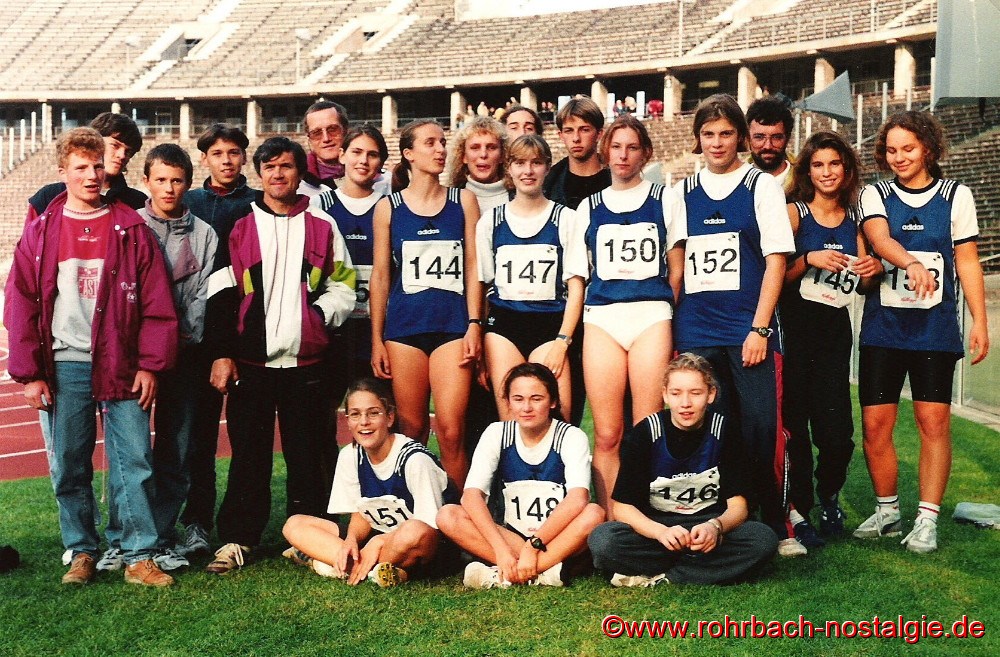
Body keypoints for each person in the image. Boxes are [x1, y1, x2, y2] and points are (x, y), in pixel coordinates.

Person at [4, 127, 178, 586]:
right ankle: (81, 550)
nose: (91, 175)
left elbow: (158, 304)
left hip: (121, 362)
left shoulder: (132, 227)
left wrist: (149, 364)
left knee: (135, 461)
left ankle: (139, 555)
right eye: (81, 167)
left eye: (97, 165)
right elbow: (20, 302)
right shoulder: (43, 230)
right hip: (65, 365)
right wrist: (29, 374)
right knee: (70, 464)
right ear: (62, 173)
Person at [202, 136, 356, 573]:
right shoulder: (238, 224)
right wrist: (223, 352)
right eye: (269, 167)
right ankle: (237, 539)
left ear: (298, 171)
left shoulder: (323, 225)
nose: (277, 174)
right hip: (252, 363)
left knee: (308, 453)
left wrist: (319, 316)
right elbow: (220, 292)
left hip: (307, 363)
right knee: (248, 455)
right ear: (259, 173)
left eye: (286, 166)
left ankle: (311, 537)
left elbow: (344, 284)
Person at [855, 111, 989, 553]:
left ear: (928, 148)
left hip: (933, 329)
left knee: (933, 423)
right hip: (883, 328)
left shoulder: (956, 195)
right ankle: (888, 511)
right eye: (891, 150)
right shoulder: (874, 193)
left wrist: (979, 321)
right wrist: (910, 262)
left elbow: (966, 260)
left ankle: (927, 519)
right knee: (876, 425)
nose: (899, 157)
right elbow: (879, 239)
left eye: (908, 148)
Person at [672, 94, 798, 555]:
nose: (717, 142)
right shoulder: (681, 193)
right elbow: (678, 264)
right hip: (696, 332)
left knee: (762, 429)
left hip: (748, 332)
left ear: (740, 138)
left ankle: (778, 523)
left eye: (726, 133)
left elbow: (777, 261)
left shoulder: (760, 186)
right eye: (708, 134)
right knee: (707, 429)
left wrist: (759, 328)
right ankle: (715, 522)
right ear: (697, 139)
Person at [572, 114, 686, 513]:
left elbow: (676, 267)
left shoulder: (665, 198)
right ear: (606, 152)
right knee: (606, 433)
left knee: (647, 428)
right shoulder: (587, 207)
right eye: (616, 146)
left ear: (645, 153)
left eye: (632, 147)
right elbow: (581, 274)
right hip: (603, 317)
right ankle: (611, 522)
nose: (623, 155)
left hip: (650, 316)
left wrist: (661, 308)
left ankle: (648, 515)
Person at [588, 353, 778, 586]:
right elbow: (623, 508)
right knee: (603, 541)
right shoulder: (647, 432)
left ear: (711, 394)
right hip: (658, 528)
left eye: (695, 393)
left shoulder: (724, 430)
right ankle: (702, 570)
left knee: (762, 539)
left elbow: (738, 506)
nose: (685, 403)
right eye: (676, 393)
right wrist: (660, 533)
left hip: (706, 525)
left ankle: (669, 577)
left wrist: (715, 527)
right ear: (665, 395)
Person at [780, 131, 882, 545]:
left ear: (847, 169)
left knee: (836, 433)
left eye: (834, 164)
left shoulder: (856, 221)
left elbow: (859, 286)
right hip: (794, 331)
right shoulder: (794, 213)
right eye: (818, 164)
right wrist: (807, 260)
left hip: (834, 336)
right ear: (807, 170)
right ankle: (800, 509)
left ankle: (830, 495)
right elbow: (777, 276)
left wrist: (871, 273)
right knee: (795, 427)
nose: (827, 172)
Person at [369, 119, 482, 488]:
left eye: (443, 142)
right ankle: (415, 517)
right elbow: (382, 276)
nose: (440, 150)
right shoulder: (389, 208)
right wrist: (376, 339)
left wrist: (474, 324)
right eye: (430, 143)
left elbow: (473, 267)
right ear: (408, 154)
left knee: (451, 430)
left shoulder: (463, 200)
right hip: (404, 331)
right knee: (411, 430)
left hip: (452, 329)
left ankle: (460, 521)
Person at [437, 363, 604, 588]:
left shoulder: (571, 436)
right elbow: (471, 496)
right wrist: (501, 550)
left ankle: (513, 573)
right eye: (518, 399)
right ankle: (543, 571)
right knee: (448, 515)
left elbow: (578, 498)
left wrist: (533, 546)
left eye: (536, 398)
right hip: (510, 535)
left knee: (594, 513)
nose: (526, 407)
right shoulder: (497, 433)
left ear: (553, 402)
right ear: (507, 402)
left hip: (557, 537)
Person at [173, 123, 257, 558]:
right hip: (197, 338)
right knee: (197, 438)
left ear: (245, 157)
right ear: (204, 158)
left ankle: (238, 524)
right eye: (218, 153)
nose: (226, 160)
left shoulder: (256, 204)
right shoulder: (189, 202)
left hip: (244, 336)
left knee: (245, 437)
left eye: (234, 152)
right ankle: (196, 521)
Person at [282, 378, 454, 587]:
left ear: (390, 417)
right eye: (355, 414)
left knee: (414, 531)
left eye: (373, 413)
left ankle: (346, 566)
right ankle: (374, 570)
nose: (364, 422)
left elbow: (429, 527)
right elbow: (361, 512)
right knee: (295, 524)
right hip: (376, 536)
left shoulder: (414, 459)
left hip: (421, 545)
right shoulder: (350, 455)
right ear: (348, 420)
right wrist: (351, 540)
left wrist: (378, 541)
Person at [138, 144, 219, 571]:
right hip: (136, 359)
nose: (169, 188)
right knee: (132, 450)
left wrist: (181, 337)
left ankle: (165, 534)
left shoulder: (205, 233)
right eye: (161, 180)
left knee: (178, 447)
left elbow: (202, 295)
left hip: (185, 355)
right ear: (146, 182)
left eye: (177, 180)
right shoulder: (131, 227)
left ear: (188, 183)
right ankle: (129, 538)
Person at [477, 135, 585, 421]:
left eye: (536, 163)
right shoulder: (491, 221)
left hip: (550, 326)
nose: (528, 171)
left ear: (547, 167)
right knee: (511, 421)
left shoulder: (566, 218)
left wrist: (563, 340)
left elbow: (576, 286)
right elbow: (483, 285)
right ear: (508, 168)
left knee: (556, 418)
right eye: (520, 163)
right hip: (504, 327)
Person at [311, 125, 388, 446]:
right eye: (356, 152)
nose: (363, 161)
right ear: (341, 155)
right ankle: (329, 489)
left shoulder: (391, 206)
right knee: (322, 415)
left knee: (374, 414)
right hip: (335, 330)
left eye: (372, 154)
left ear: (381, 162)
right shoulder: (322, 205)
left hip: (376, 330)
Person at [541, 96, 610, 428]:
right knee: (562, 408)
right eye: (569, 130)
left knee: (612, 415)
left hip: (607, 304)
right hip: (561, 307)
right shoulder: (548, 183)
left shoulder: (614, 181)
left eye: (585, 129)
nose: (577, 138)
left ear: (598, 133)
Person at [25, 112, 147, 224]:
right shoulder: (49, 196)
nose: (122, 155)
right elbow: (28, 244)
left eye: (128, 151)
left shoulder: (137, 202)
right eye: (115, 145)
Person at [448, 116, 509, 215]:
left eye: (491, 147)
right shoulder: (450, 202)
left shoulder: (521, 197)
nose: (483, 154)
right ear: (463, 156)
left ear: (502, 155)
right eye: (475, 148)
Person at [745, 96, 795, 194]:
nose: (768, 146)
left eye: (776, 137)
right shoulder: (734, 182)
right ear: (747, 138)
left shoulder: (806, 181)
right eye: (759, 137)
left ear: (787, 138)